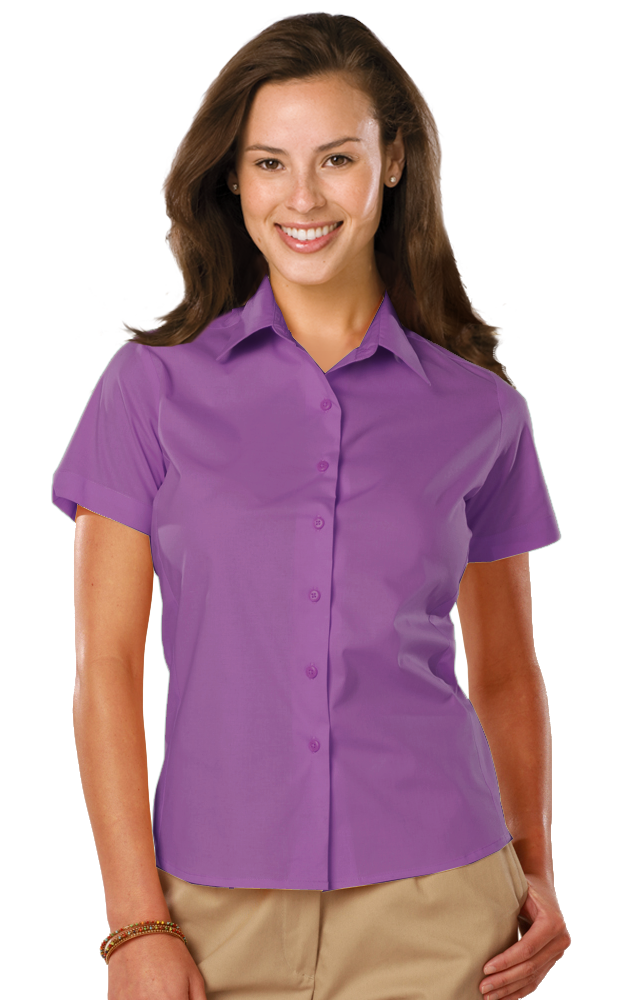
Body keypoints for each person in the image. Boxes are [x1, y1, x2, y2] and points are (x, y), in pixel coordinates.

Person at [52, 13, 572, 1000]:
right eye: (269, 163)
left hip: (440, 902)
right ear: (233, 179)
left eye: (337, 158)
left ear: (392, 162)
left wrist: (535, 869)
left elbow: (506, 670)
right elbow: (106, 667)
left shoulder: (481, 411)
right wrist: (134, 925)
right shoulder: (147, 391)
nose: (302, 197)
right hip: (205, 912)